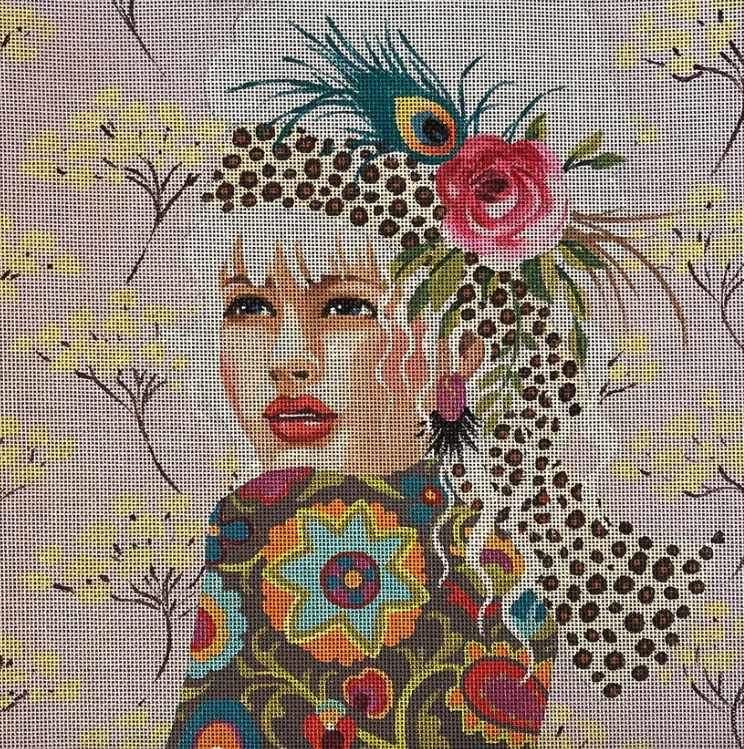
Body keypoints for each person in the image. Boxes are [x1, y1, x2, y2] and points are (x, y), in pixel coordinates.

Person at [167, 17, 721, 749]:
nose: (288, 358)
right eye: (249, 307)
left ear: (462, 348)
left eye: (345, 308)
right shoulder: (249, 524)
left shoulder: (494, 568)